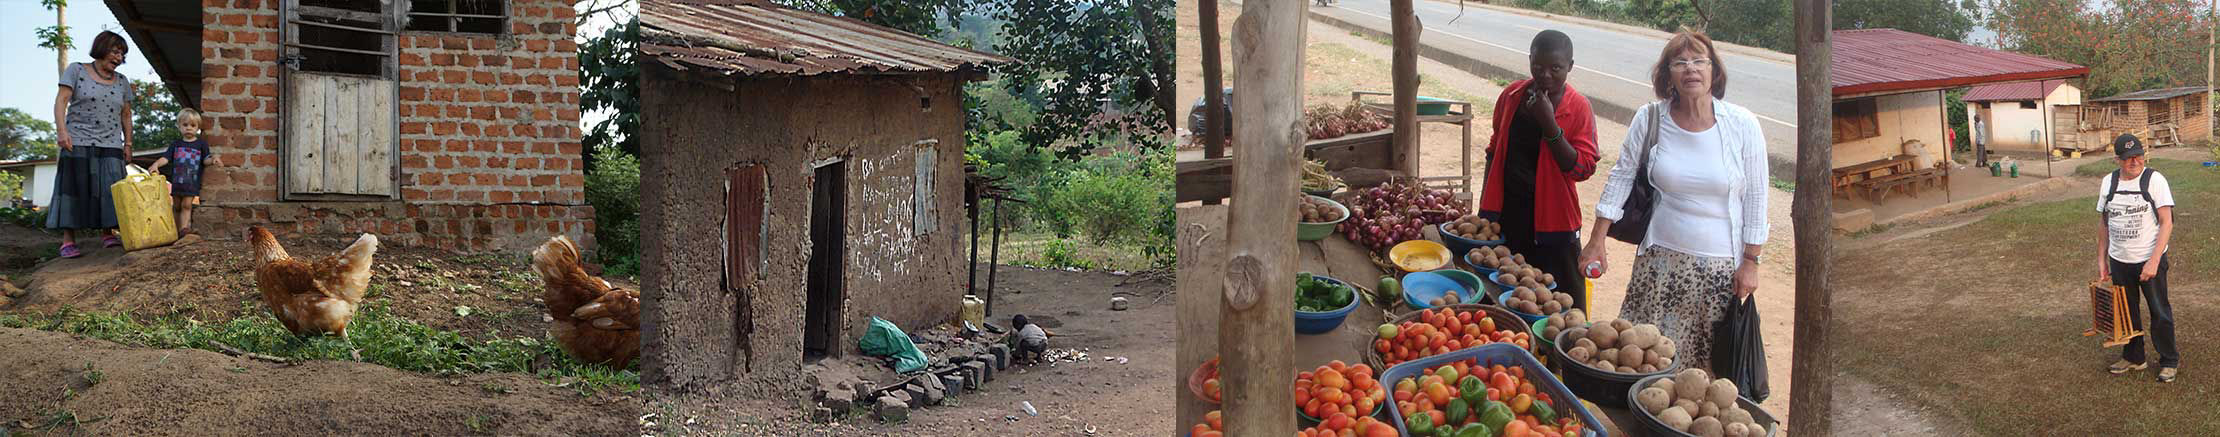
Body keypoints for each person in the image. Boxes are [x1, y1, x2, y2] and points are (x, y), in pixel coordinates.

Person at [1581, 31, 1769, 373]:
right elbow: (1621, 176)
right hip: (1658, 266)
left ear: (1715, 71)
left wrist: (1751, 261)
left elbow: (1757, 197)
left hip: (1718, 274)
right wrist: (1597, 240)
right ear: (1667, 74)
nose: (1690, 69)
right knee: (1643, 361)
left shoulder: (1743, 125)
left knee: (1702, 375)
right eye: (1680, 62)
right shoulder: (1650, 118)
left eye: (1699, 61)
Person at [1476, 30, 1600, 309]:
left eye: (1555, 68)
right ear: (1529, 60)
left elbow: (1582, 168)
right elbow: (1494, 152)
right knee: (1507, 292)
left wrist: (1549, 125)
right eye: (1538, 66)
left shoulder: (1578, 107)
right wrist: (1486, 209)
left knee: (1565, 303)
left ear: (1570, 66)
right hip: (1510, 214)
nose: (1545, 75)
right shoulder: (1512, 95)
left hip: (1554, 223)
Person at [46, 31, 135, 259]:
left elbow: (126, 115)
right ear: (102, 48)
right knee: (74, 188)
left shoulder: (123, 81)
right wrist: (61, 131)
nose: (118, 57)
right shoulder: (76, 70)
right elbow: (61, 101)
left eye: (122, 54)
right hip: (78, 139)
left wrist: (128, 144)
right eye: (115, 51)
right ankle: (68, 241)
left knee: (110, 189)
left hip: (111, 143)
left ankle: (108, 234)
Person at [2097, 134, 2178, 383]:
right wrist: (2102, 258)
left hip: (2149, 259)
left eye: (2139, 155)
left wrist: (2153, 261)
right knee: (2125, 311)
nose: (2135, 161)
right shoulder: (2108, 182)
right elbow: (2104, 222)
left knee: (2159, 311)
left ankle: (2168, 360)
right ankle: (2135, 357)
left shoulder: (2155, 180)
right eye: (2128, 157)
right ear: (2117, 159)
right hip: (2120, 260)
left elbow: (2167, 222)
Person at [148, 109, 217, 236]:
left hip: (191, 182)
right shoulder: (176, 144)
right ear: (179, 126)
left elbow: (205, 160)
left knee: (186, 205)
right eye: (185, 125)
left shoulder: (201, 144)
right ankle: (174, 230)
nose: (189, 128)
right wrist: (156, 164)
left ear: (198, 127)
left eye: (192, 125)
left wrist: (213, 160)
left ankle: (184, 229)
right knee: (177, 206)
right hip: (177, 182)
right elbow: (166, 158)